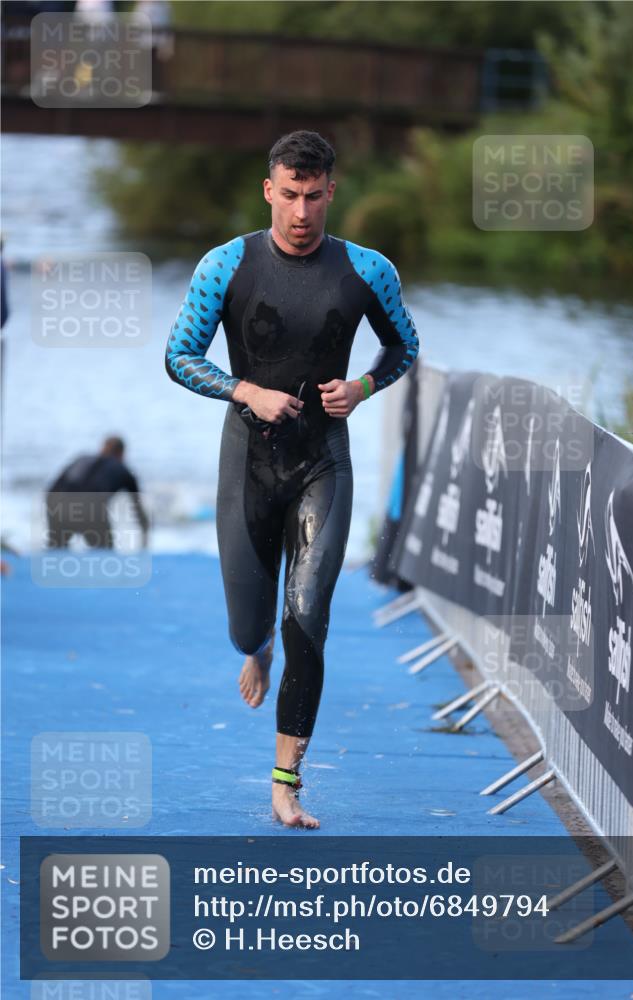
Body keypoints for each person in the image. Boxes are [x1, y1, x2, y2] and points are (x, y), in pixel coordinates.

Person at [165, 130, 419, 828]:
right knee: (249, 626)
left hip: (321, 461)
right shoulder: (226, 265)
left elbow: (404, 345)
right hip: (247, 460)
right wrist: (244, 390)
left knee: (309, 612)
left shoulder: (367, 270)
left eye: (313, 197)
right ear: (268, 191)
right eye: (289, 196)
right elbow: (179, 355)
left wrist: (363, 386)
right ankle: (259, 648)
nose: (301, 212)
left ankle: (285, 781)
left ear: (330, 191)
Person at [45, 436, 149, 549]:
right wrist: (145, 540)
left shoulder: (82, 459)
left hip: (57, 504)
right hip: (90, 510)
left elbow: (54, 487)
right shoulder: (123, 470)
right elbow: (138, 509)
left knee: (56, 549)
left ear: (102, 448)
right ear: (122, 453)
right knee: (105, 553)